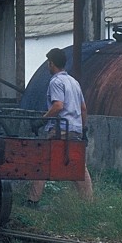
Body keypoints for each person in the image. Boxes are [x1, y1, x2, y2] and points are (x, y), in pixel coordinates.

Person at [28, 47, 95, 203]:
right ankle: (89, 201)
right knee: (78, 166)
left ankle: (32, 200)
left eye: (48, 63)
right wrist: (83, 129)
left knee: (43, 162)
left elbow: (58, 106)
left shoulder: (56, 81)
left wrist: (41, 121)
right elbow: (83, 108)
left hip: (60, 130)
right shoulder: (74, 82)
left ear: (52, 64)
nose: (48, 66)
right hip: (75, 129)